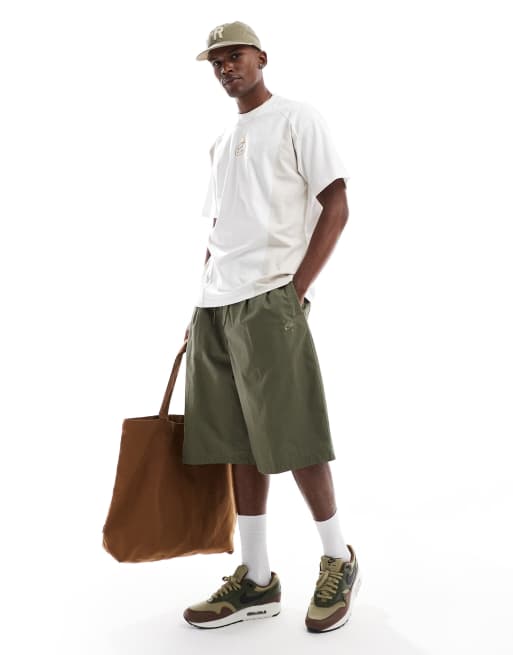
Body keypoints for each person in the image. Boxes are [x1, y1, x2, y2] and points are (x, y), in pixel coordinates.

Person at [181, 21, 361, 633]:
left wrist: (295, 290)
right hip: (215, 306)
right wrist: (200, 305)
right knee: (236, 442)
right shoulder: (221, 140)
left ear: (261, 56)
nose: (225, 68)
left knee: (294, 432)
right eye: (216, 62)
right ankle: (256, 578)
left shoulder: (296, 119)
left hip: (270, 299)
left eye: (234, 56)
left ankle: (338, 557)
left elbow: (336, 202)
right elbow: (218, 230)